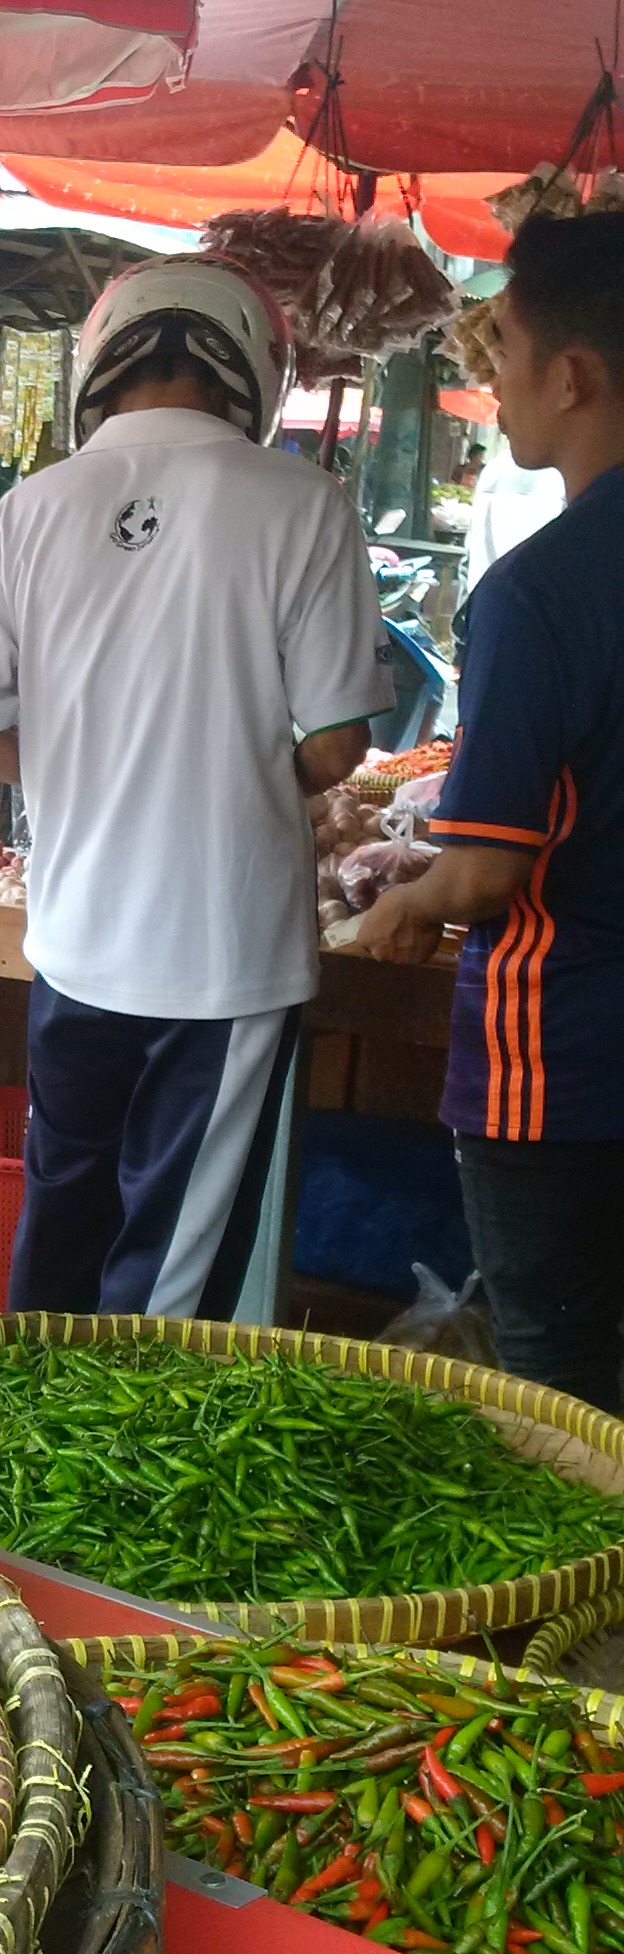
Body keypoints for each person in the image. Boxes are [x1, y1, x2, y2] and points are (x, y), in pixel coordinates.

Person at [0, 257, 390, 1319]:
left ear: (102, 360)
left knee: (63, 1212)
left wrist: (81, 766)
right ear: (256, 371)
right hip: (222, 957)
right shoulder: (304, 503)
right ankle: (120, 1481)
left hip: (74, 939)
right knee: (172, 1272)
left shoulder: (28, 507)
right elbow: (336, 745)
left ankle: (18, 1445)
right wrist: (222, 773)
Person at [356, 216, 624, 1410]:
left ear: (575, 376)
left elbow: (479, 876)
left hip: (563, 1060)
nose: (490, 378)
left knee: (559, 1390)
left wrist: (399, 910)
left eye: (504, 347)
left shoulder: (544, 590)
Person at [460, 431, 567, 605]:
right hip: (536, 614)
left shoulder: (493, 469)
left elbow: (470, 555)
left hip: (488, 608)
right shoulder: (569, 475)